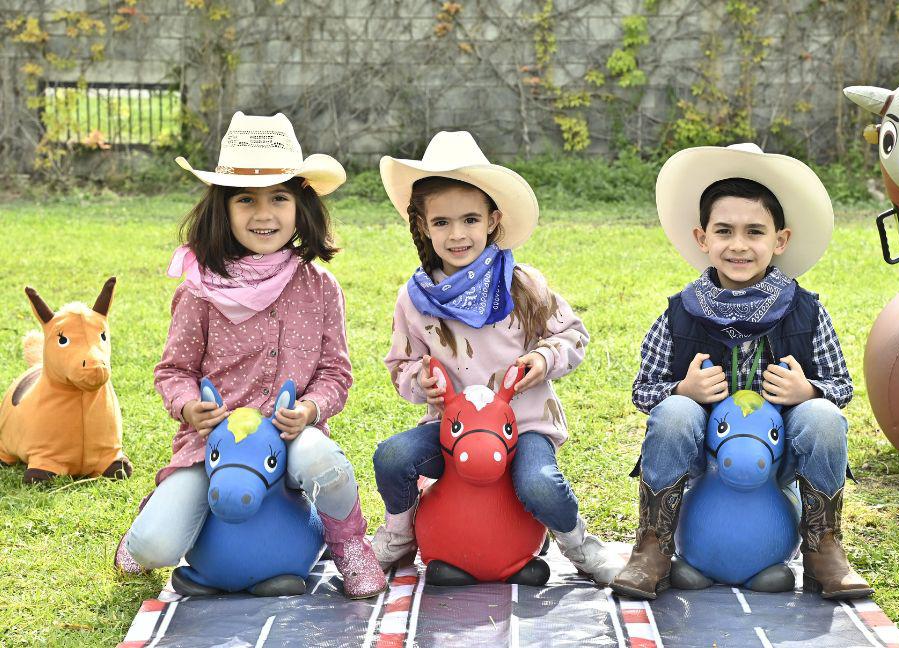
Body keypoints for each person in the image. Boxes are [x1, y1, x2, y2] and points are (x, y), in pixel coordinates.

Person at [113, 112, 385, 599]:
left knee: (326, 463)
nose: (264, 214)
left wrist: (310, 409)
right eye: (246, 199)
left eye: (279, 197)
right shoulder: (199, 290)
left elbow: (335, 373)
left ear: (301, 205)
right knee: (154, 547)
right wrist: (188, 406)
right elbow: (174, 370)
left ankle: (348, 545)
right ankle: (155, 514)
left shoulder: (320, 287)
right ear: (223, 208)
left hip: (289, 435)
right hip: (215, 443)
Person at [611, 143, 874, 601]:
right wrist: (683, 388)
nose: (738, 245)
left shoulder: (805, 311)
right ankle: (653, 547)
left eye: (754, 231)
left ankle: (823, 548)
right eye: (724, 231)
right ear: (702, 238)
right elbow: (644, 390)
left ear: (780, 240)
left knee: (824, 417)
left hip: (776, 454)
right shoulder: (680, 312)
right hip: (706, 456)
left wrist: (808, 390)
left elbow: (842, 386)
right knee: (673, 411)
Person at [370, 131, 624, 586]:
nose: (457, 234)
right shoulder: (415, 300)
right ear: (423, 226)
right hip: (451, 431)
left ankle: (580, 545)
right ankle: (400, 534)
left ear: (493, 220)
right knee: (392, 457)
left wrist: (543, 359)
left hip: (523, 425)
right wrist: (418, 382)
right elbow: (400, 365)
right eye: (442, 222)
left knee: (539, 483)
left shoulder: (522, 284)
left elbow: (573, 335)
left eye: (470, 219)